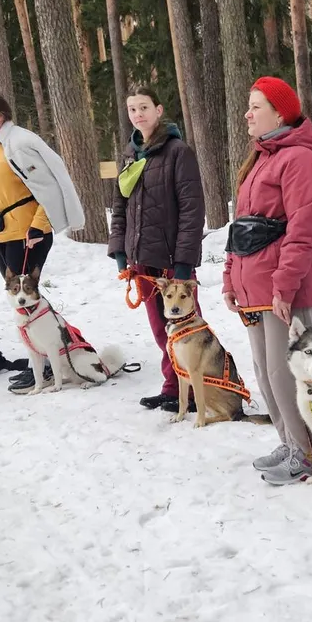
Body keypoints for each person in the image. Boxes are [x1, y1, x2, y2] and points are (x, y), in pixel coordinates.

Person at [223, 76, 312, 486]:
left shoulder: (299, 159)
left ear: (280, 113)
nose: (247, 114)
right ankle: (289, 443)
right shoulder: (260, 158)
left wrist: (285, 286)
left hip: (285, 288)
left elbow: (303, 230)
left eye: (256, 106)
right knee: (266, 371)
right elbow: (241, 227)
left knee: (289, 373)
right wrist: (230, 277)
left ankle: (306, 451)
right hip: (255, 284)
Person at [0, 92, 86, 393]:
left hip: (27, 234)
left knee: (28, 300)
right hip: (0, 235)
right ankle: (42, 361)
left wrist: (40, 225)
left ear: (0, 114)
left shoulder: (20, 142)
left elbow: (47, 186)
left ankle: (47, 366)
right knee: (18, 299)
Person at [108, 87, 207, 411]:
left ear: (159, 110)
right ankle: (173, 386)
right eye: (132, 109)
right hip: (142, 261)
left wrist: (183, 263)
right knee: (160, 329)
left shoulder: (178, 152)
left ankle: (200, 390)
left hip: (170, 262)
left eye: (144, 107)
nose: (138, 114)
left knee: (188, 329)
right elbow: (120, 206)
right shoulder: (130, 155)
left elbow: (192, 210)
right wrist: (121, 251)